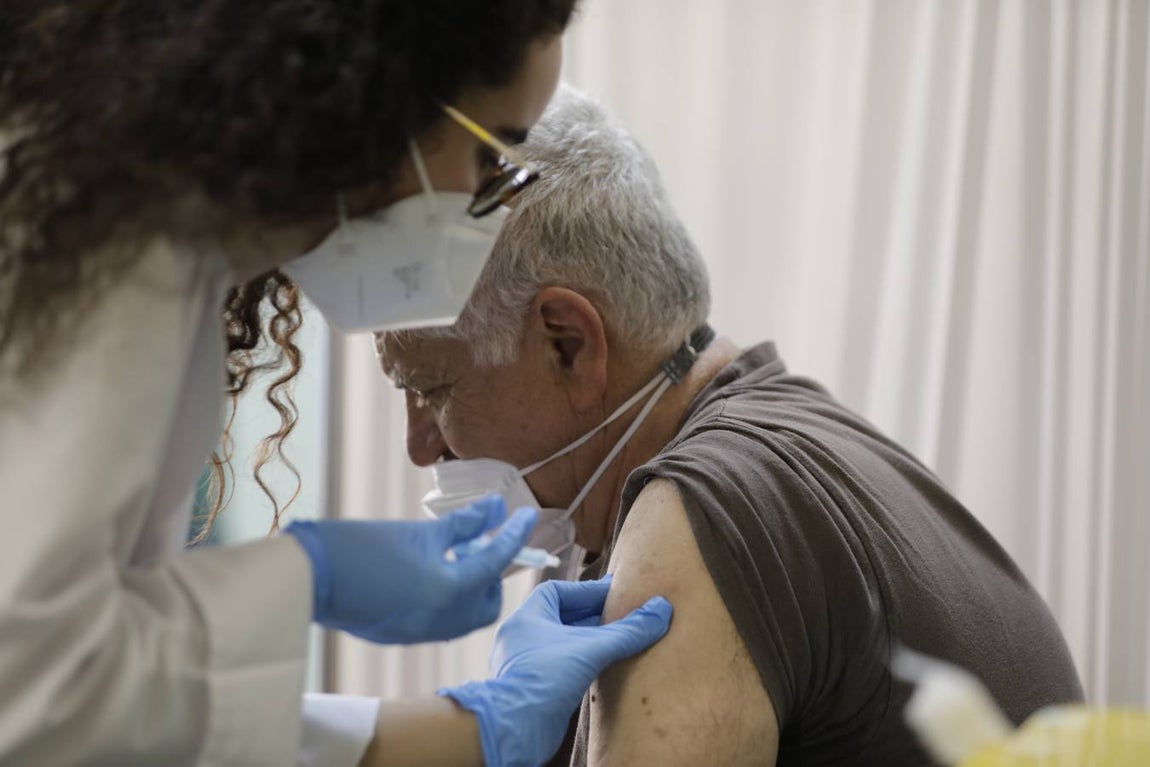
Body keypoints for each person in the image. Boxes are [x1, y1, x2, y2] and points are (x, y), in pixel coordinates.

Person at [0, 4, 674, 767]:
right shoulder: (104, 250)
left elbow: (114, 698)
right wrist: (305, 577)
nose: (487, 204)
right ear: (376, 98)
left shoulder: (152, 236)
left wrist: (470, 727)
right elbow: (37, 689)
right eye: (490, 158)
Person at [375, 86, 1085, 766]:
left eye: (432, 389)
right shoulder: (749, 438)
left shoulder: (697, 511)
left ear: (569, 344)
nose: (418, 445)